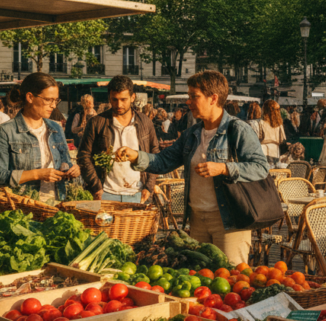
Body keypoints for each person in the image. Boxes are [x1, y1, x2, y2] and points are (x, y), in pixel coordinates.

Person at [115, 71, 268, 264]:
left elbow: (261, 168)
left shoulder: (238, 130)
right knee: (201, 278)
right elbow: (163, 162)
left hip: (229, 221)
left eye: (193, 96)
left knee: (230, 279)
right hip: (196, 219)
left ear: (213, 98)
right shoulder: (191, 134)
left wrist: (223, 168)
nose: (188, 102)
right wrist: (136, 155)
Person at [0, 73, 80, 200]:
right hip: (23, 207)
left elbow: (65, 163)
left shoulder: (56, 128)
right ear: (30, 97)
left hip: (57, 203)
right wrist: (37, 174)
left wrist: (73, 170)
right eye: (48, 100)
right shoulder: (5, 131)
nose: (53, 105)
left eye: (56, 100)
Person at [77, 76, 160, 203]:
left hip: (137, 193)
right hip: (105, 193)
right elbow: (84, 155)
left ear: (133, 97)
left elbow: (154, 155)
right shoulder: (96, 123)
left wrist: (148, 187)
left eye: (123, 99)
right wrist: (96, 186)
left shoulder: (145, 122)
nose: (119, 104)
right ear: (109, 97)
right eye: (114, 99)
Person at [256, 100, 287, 166]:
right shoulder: (279, 124)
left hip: (263, 151)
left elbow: (259, 138)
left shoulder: (261, 122)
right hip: (275, 151)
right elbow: (282, 139)